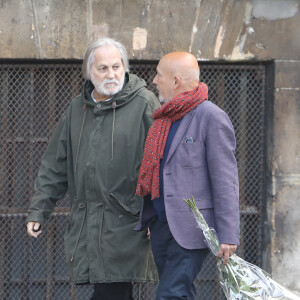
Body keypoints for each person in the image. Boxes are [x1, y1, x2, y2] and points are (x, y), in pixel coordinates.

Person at [26, 37, 160, 300]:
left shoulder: (145, 103)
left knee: (112, 292)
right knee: (112, 292)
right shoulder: (78, 108)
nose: (111, 74)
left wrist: (156, 213)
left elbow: (163, 163)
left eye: (117, 66)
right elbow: (56, 165)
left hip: (128, 221)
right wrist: (39, 210)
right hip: (88, 223)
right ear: (89, 72)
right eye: (103, 68)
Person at [135, 52, 240, 300]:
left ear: (176, 81)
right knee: (179, 292)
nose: (154, 80)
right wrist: (153, 216)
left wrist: (228, 234)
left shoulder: (211, 117)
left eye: (159, 75)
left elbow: (225, 180)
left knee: (171, 294)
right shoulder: (164, 118)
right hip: (161, 225)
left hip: (192, 229)